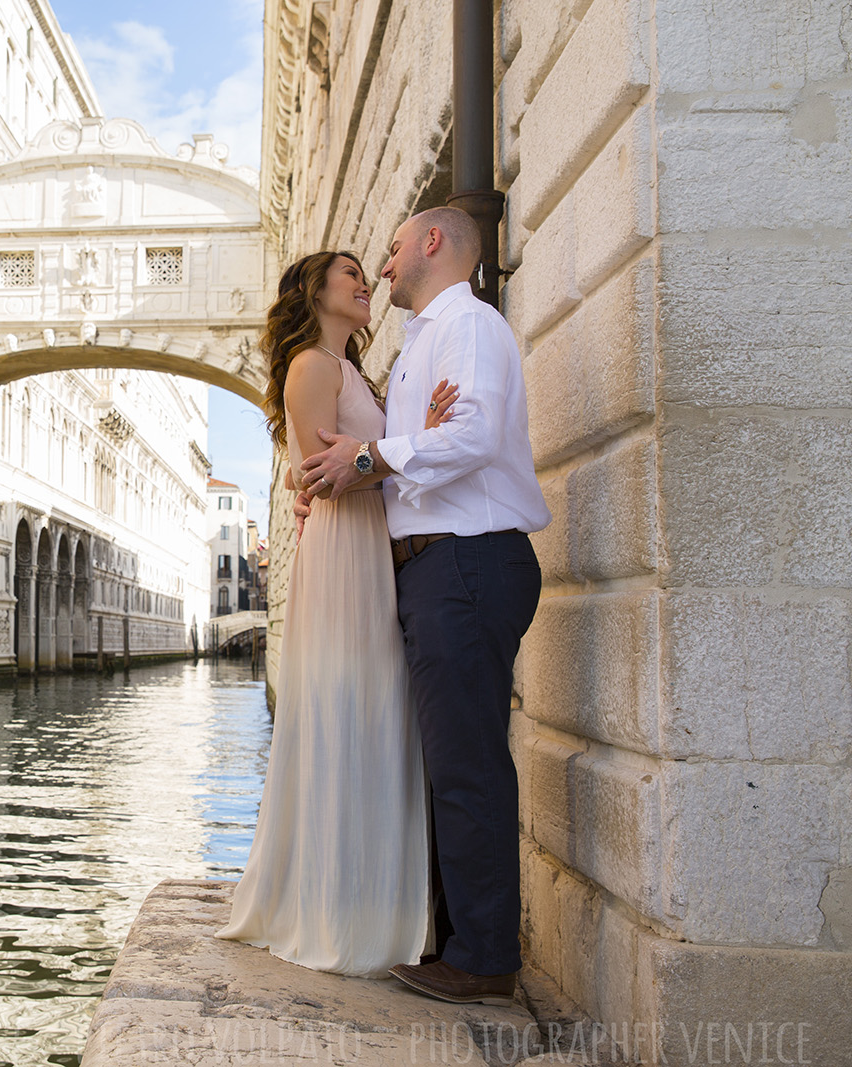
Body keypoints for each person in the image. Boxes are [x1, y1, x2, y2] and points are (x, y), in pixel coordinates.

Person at [297, 206, 550, 1005]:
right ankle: (454, 935)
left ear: (432, 243)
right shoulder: (421, 346)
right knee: (448, 761)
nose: (383, 263)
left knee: (465, 763)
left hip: (465, 561)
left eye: (395, 245)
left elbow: (466, 439)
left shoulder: (465, 326)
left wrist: (379, 452)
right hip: (437, 566)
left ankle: (480, 956)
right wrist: (403, 447)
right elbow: (425, 453)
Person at [214, 250, 458, 978]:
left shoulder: (348, 370)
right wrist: (408, 448)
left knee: (374, 714)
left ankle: (367, 901)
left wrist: (412, 437)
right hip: (345, 553)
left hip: (363, 549)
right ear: (315, 292)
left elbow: (336, 466)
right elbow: (325, 474)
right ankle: (339, 908)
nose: (366, 283)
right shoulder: (313, 365)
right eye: (350, 272)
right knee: (354, 713)